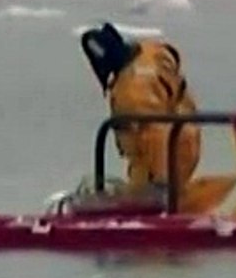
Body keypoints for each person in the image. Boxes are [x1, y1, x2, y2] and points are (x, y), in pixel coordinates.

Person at [79, 23, 201, 206]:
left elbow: (156, 132)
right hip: (185, 134)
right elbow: (171, 56)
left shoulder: (133, 92)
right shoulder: (150, 53)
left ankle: (162, 207)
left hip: (165, 156)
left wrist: (161, 183)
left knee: (144, 200)